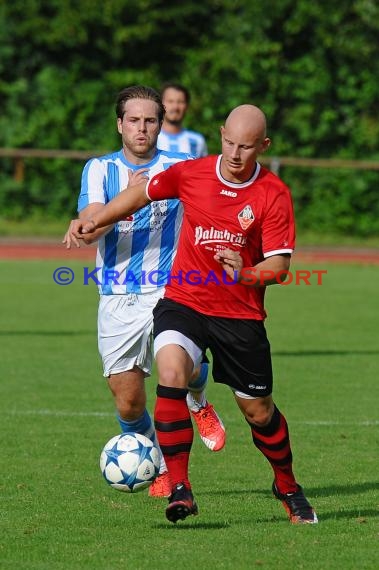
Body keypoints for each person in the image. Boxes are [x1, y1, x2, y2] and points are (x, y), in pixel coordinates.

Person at [67, 103, 318, 525]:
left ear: (264, 146)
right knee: (171, 372)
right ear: (221, 135)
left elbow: (279, 267)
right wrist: (95, 221)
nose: (236, 154)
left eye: (247, 147)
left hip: (239, 314)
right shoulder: (193, 172)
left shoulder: (274, 193)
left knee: (259, 412)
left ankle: (288, 485)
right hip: (183, 301)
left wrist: (247, 270)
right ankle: (180, 486)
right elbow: (141, 193)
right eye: (230, 143)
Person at [62, 85, 225, 499]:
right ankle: (150, 454)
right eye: (133, 120)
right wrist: (129, 196)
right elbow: (90, 227)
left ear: (160, 125)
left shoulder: (181, 166)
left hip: (171, 290)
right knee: (129, 404)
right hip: (116, 296)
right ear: (119, 124)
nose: (142, 128)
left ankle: (197, 400)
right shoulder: (99, 169)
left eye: (150, 120)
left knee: (182, 369)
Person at [157, 83, 208, 157]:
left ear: (187, 106)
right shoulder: (150, 138)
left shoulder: (197, 141)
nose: (175, 107)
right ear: (160, 104)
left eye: (181, 102)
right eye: (170, 101)